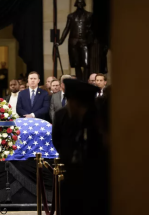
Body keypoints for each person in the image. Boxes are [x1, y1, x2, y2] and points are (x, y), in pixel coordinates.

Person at [52, 78, 106, 215]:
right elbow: (57, 140)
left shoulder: (96, 121)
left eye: (70, 101)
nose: (68, 105)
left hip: (93, 182)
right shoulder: (62, 115)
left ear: (77, 103)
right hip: (72, 176)